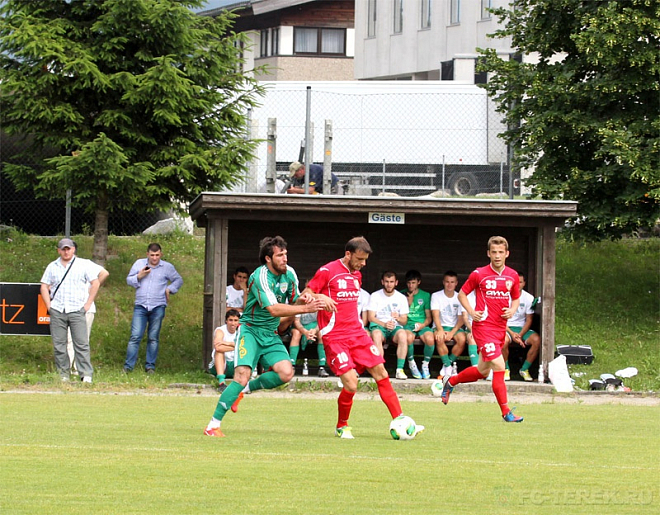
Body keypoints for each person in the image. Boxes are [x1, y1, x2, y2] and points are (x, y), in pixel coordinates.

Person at [303, 236, 423, 439]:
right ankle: (342, 425)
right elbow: (305, 295)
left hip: (357, 333)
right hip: (335, 336)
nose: (363, 264)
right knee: (351, 383)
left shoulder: (357, 275)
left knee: (381, 372)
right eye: (359, 259)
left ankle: (401, 419)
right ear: (348, 254)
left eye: (365, 260)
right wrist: (320, 296)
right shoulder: (327, 271)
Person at [204, 236, 325, 437]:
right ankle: (212, 425)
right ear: (268, 259)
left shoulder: (289, 273)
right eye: (280, 255)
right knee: (241, 375)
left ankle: (245, 390)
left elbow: (294, 299)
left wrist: (308, 298)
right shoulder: (260, 276)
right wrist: (306, 308)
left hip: (270, 333)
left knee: (286, 373)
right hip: (250, 331)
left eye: (285, 254)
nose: (285, 259)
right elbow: (274, 309)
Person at [440, 236, 524, 422]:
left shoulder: (512, 275)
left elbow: (516, 298)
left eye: (500, 252)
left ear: (507, 254)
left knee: (482, 371)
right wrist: (471, 312)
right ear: (488, 253)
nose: (497, 256)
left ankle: (450, 381)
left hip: (500, 328)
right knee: (499, 366)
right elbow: (462, 294)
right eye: (494, 252)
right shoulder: (479, 274)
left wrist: (512, 310)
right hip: (483, 327)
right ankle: (506, 412)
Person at [40, 238, 104, 383]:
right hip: (58, 309)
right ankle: (63, 374)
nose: (66, 252)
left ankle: (86, 374)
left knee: (81, 343)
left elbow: (95, 283)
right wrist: (49, 306)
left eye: (68, 249)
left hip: (77, 309)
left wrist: (88, 303)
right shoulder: (52, 266)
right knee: (59, 345)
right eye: (63, 249)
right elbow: (44, 286)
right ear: (59, 251)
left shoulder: (83, 264)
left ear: (73, 249)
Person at [123, 243, 183, 374]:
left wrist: (170, 289)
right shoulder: (139, 264)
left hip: (158, 305)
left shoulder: (167, 267)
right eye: (152, 255)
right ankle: (128, 367)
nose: (154, 258)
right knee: (135, 336)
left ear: (161, 254)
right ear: (147, 254)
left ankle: (150, 366)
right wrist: (139, 276)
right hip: (141, 305)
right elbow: (128, 280)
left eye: (157, 255)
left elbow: (178, 280)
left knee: (153, 337)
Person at [65, 241, 109, 375]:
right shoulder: (60, 266)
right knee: (68, 338)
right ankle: (68, 367)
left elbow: (104, 273)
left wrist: (92, 288)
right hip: (68, 307)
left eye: (69, 249)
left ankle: (78, 368)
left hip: (85, 307)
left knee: (82, 340)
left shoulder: (85, 264)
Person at [367, 272, 410, 380]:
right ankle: (379, 369)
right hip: (379, 325)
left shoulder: (401, 298)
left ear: (396, 283)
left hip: (395, 327)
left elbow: (404, 320)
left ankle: (399, 370)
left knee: (403, 335)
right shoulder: (375, 296)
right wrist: (384, 324)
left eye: (391, 282)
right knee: (376, 335)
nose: (389, 284)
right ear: (382, 282)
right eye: (386, 281)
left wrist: (398, 318)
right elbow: (371, 317)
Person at [430, 270, 470, 379]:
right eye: (447, 282)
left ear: (456, 283)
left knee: (462, 339)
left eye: (452, 282)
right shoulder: (436, 296)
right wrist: (440, 330)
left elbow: (461, 319)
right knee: (439, 338)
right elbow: (435, 315)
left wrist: (452, 333)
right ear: (443, 282)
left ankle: (447, 364)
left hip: (455, 327)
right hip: (440, 326)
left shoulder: (460, 297)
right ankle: (448, 366)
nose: (449, 284)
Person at [504, 273, 540, 382]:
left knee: (537, 340)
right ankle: (505, 369)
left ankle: (524, 369)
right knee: (502, 341)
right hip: (506, 328)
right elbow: (500, 320)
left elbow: (529, 320)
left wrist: (519, 335)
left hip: (521, 329)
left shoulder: (528, 298)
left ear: (524, 283)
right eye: (515, 282)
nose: (517, 284)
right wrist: (512, 334)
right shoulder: (504, 296)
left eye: (520, 282)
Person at [401, 270, 434, 379]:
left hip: (422, 324)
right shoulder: (401, 294)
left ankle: (425, 364)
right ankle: (412, 363)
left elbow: (429, 317)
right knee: (408, 338)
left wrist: (422, 325)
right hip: (407, 324)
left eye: (413, 283)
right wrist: (408, 302)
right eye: (409, 283)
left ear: (418, 282)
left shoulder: (425, 295)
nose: (410, 285)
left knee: (430, 339)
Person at [289, 309, 330, 377]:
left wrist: (314, 330)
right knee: (296, 334)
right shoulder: (300, 303)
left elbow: (322, 321)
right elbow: (296, 322)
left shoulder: (320, 305)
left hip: (316, 326)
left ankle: (322, 367)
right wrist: (305, 332)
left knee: (321, 334)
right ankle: (291, 366)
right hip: (300, 327)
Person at [208, 309, 242, 392]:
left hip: (235, 365)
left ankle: (244, 384)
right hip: (221, 366)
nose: (233, 323)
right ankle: (221, 383)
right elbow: (218, 347)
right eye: (230, 320)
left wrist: (226, 343)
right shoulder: (220, 330)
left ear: (239, 322)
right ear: (226, 321)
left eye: (235, 320)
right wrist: (237, 346)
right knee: (219, 352)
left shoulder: (241, 331)